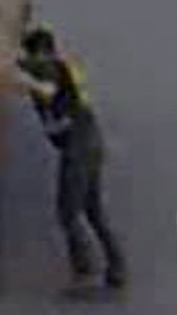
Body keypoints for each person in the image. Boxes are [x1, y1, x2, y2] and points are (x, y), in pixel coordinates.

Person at [18, 26, 127, 293]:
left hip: (77, 145)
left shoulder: (47, 69)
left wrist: (20, 78)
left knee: (68, 211)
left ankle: (86, 272)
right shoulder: (62, 65)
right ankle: (117, 267)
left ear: (40, 53)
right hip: (91, 139)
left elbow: (47, 91)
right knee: (93, 210)